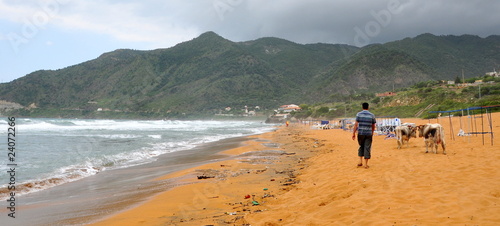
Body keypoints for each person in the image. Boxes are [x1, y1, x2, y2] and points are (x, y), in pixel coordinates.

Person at [352, 102, 376, 169]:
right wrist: (372, 132)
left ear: (362, 107)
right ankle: (365, 164)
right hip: (368, 134)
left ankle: (360, 161)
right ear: (368, 107)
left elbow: (356, 125)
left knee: (361, 146)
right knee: (367, 147)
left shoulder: (359, 114)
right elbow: (373, 125)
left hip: (361, 133)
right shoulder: (372, 115)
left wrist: (353, 133)